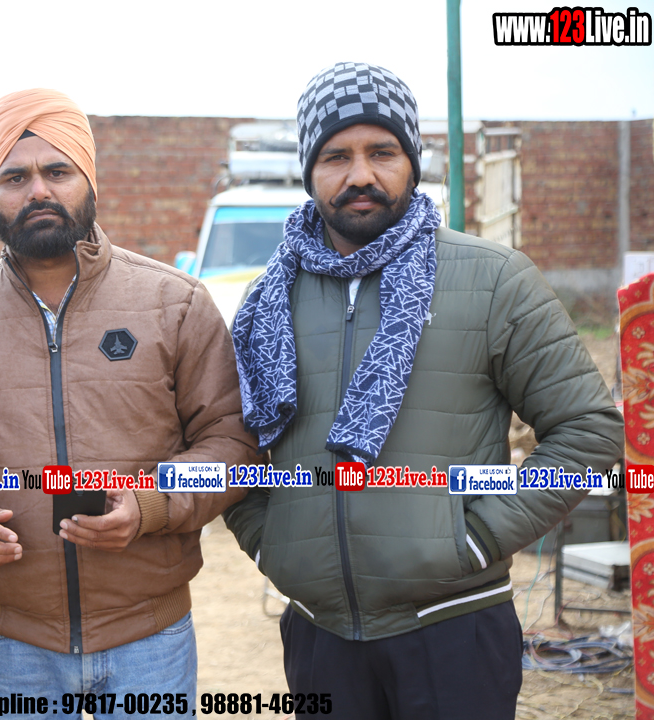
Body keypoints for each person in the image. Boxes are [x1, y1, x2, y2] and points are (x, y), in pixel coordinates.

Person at [223, 62, 623, 719]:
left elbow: (588, 430)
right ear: (308, 169)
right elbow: (229, 445)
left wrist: (473, 542)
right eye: (336, 156)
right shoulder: (266, 300)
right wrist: (272, 545)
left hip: (454, 629)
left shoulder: (493, 280)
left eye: (382, 152)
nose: (360, 174)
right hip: (320, 634)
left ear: (413, 161)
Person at [0, 88, 257, 718]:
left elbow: (231, 445)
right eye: (15, 177)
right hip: (11, 644)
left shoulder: (174, 304)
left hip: (149, 634)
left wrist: (149, 505)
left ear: (89, 179)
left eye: (57, 171)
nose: (38, 190)